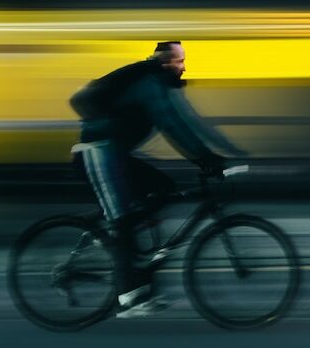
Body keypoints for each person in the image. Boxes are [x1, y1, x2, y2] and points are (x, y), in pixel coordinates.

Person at [69, 41, 247, 318]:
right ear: (165, 61)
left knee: (163, 188)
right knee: (124, 222)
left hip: (115, 156)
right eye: (179, 61)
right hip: (97, 152)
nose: (184, 66)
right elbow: (172, 126)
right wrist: (206, 160)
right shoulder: (149, 84)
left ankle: (116, 237)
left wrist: (227, 153)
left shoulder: (161, 86)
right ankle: (129, 296)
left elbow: (191, 122)